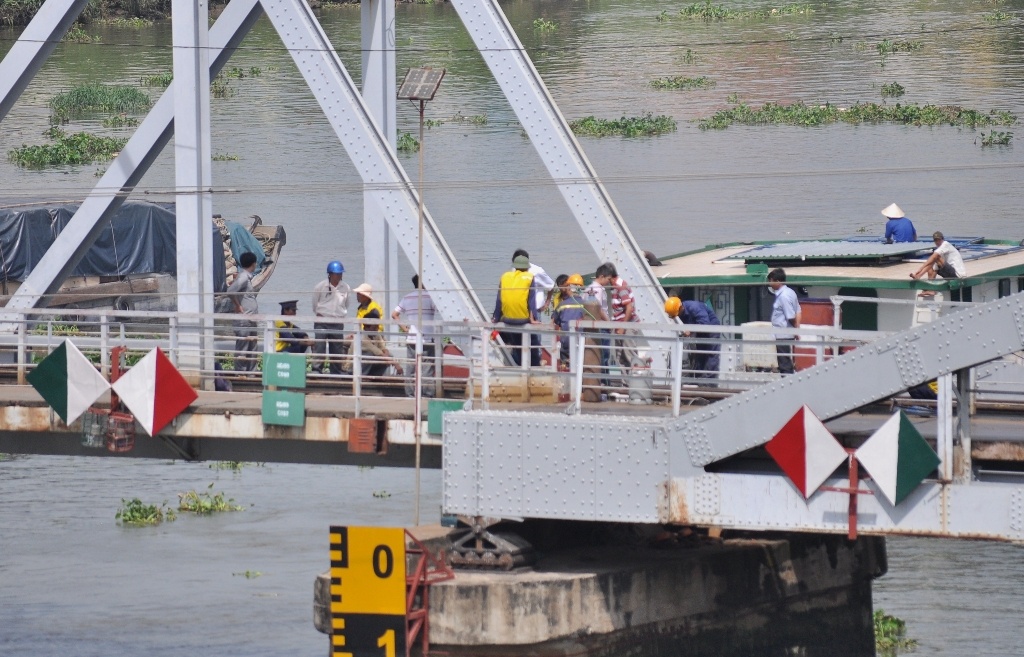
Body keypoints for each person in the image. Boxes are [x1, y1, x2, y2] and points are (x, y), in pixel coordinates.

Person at [492, 254, 541, 366]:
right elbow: (531, 301)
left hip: (507, 319)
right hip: (522, 320)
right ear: (527, 267)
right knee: (533, 341)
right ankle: (534, 366)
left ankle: (518, 363)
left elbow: (499, 299)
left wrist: (496, 318)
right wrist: (533, 319)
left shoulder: (505, 276)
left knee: (516, 340)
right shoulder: (529, 277)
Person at [391, 275, 436, 397]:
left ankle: (410, 396)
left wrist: (405, 329)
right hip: (426, 339)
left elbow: (394, 314)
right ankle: (427, 396)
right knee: (426, 370)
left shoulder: (407, 298)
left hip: (411, 338)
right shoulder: (431, 297)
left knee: (411, 370)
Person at [352, 283, 403, 377]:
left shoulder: (373, 309)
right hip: (365, 337)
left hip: (372, 337)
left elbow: (375, 325)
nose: (357, 296)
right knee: (373, 354)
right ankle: (363, 376)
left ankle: (371, 376)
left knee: (378, 355)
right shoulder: (361, 308)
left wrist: (385, 352)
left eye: (359, 294)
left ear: (364, 296)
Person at [598, 262, 641, 370]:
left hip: (628, 325)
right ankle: (625, 384)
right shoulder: (615, 286)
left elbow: (629, 308)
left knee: (629, 354)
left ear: (609, 277)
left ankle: (634, 382)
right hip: (621, 325)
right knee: (620, 357)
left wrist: (622, 327)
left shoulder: (620, 287)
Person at [312, 260, 352, 375]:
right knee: (320, 346)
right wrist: (319, 313)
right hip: (322, 320)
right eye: (337, 274)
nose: (339, 276)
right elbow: (314, 303)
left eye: (340, 274)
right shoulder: (320, 286)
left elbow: (347, 303)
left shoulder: (346, 287)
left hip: (337, 322)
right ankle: (316, 370)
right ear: (330, 274)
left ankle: (336, 371)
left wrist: (340, 314)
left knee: (337, 347)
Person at [226, 251, 259, 371]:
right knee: (243, 348)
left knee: (252, 347)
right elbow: (230, 291)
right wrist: (237, 305)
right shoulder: (244, 277)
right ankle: (241, 374)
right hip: (244, 318)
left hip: (250, 318)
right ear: (253, 264)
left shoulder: (245, 277)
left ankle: (251, 373)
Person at [767, 268, 801, 375]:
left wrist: (796, 329)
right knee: (786, 361)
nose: (770, 283)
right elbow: (798, 310)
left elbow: (790, 316)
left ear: (777, 281)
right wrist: (797, 328)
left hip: (783, 334)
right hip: (786, 333)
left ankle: (787, 385)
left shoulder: (784, 296)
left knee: (784, 364)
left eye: (771, 280)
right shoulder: (790, 292)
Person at [680, 298, 722, 379]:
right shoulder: (682, 311)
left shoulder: (694, 307)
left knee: (711, 355)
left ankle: (709, 381)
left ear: (681, 308)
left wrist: (690, 330)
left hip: (712, 329)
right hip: (701, 331)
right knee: (700, 354)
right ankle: (699, 378)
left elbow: (705, 323)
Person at [551, 274, 587, 365]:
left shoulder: (562, 304)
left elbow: (554, 320)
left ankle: (565, 369)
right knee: (580, 362)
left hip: (566, 339)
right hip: (581, 340)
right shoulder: (586, 304)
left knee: (565, 363)